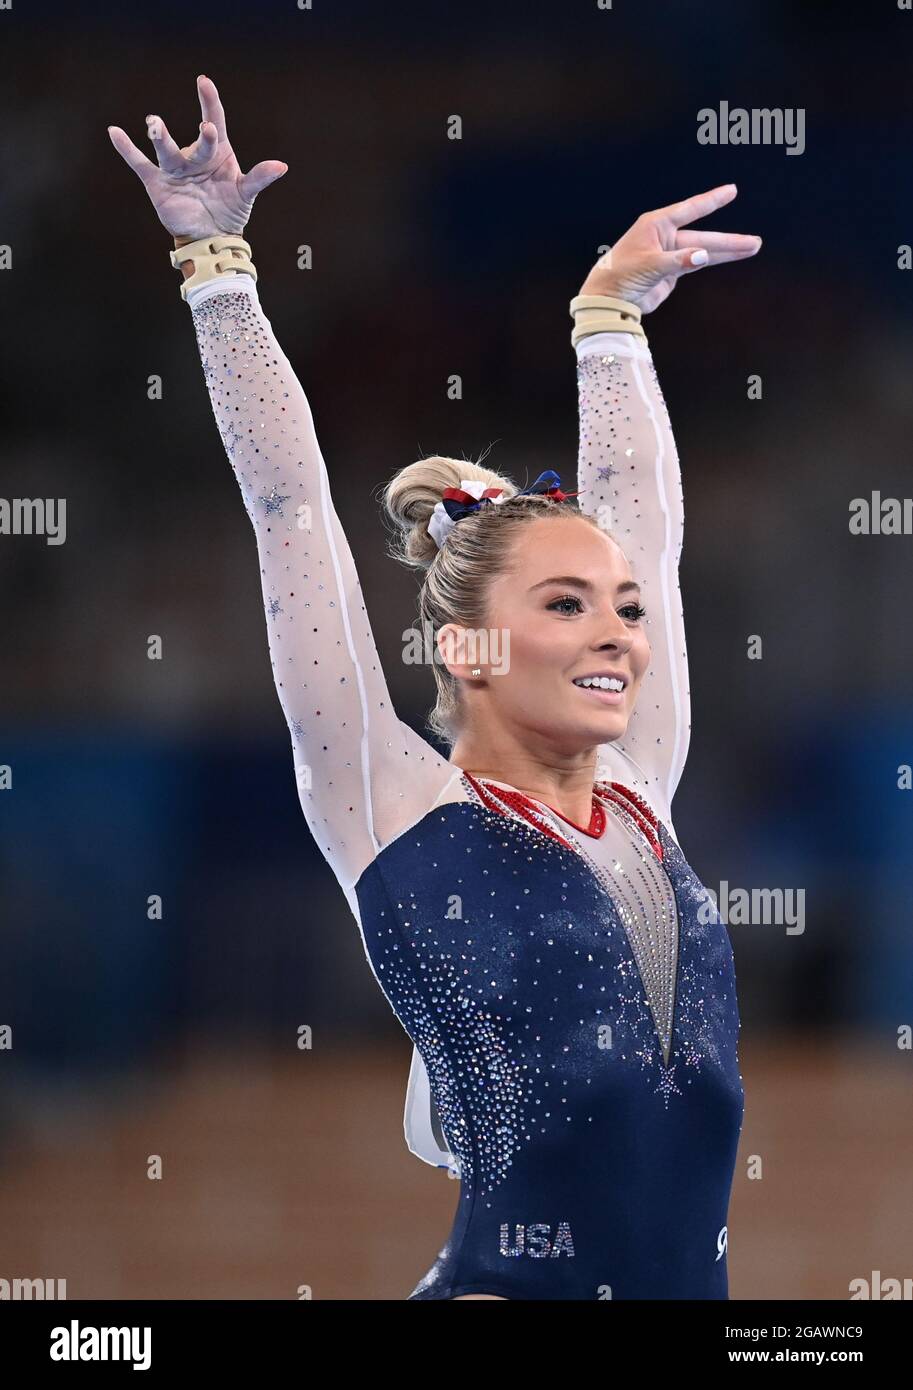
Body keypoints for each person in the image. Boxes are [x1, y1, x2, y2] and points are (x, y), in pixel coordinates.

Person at [109, 74, 762, 1300]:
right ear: (464, 651)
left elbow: (646, 537)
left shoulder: (640, 794)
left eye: (621, 611)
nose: (619, 633)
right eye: (564, 607)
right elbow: (287, 506)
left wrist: (609, 318)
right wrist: (217, 265)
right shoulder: (393, 806)